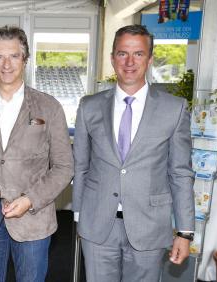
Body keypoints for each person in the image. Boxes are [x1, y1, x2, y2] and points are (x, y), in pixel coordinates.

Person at [72, 24, 195, 282]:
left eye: (138, 54)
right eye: (122, 53)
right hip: (97, 225)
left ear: (149, 59)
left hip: (150, 225)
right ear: (112, 58)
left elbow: (180, 172)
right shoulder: (89, 106)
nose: (129, 62)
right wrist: (79, 216)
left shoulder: (174, 109)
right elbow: (81, 164)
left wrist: (184, 232)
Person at [0, 25, 73, 281]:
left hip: (33, 216)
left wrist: (30, 199)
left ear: (25, 59)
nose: (6, 64)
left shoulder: (49, 107)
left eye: (14, 56)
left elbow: (64, 167)